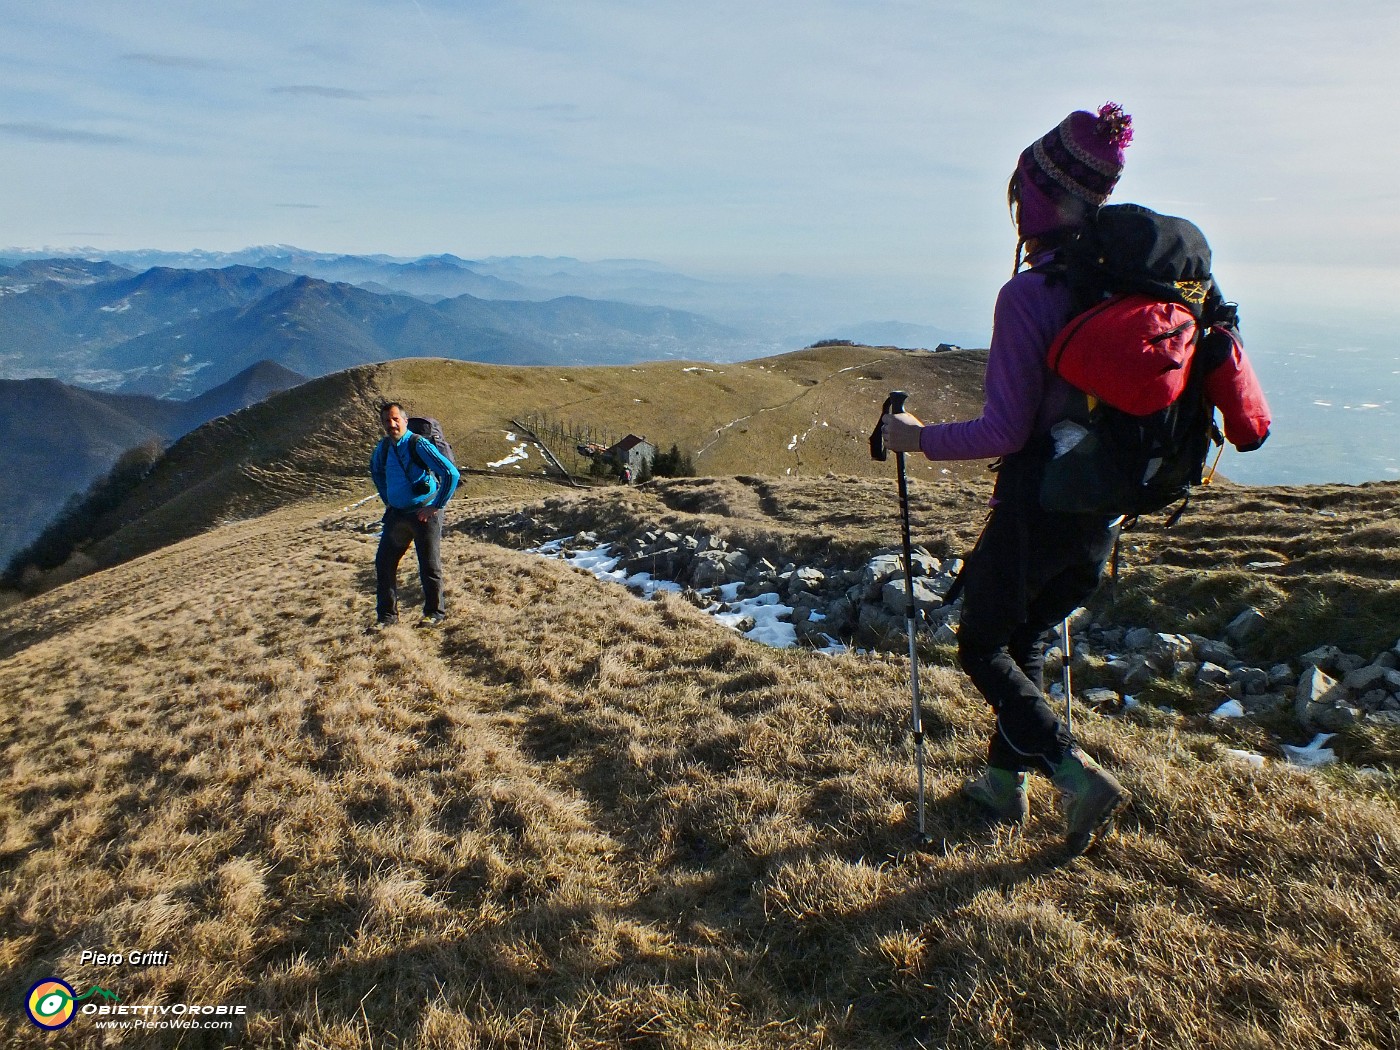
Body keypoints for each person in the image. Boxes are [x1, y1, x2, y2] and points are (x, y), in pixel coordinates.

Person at [881, 103, 1142, 854]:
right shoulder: (1121, 284)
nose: (1016, 202)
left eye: (1021, 187)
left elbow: (1005, 431)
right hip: (1103, 512)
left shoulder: (1031, 294)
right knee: (1024, 637)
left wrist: (915, 438)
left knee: (980, 648)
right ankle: (1004, 786)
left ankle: (1071, 771)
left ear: (1042, 195)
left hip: (1039, 507)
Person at [369, 402, 460, 630]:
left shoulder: (417, 444)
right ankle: (387, 618)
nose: (391, 424)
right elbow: (377, 471)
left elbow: (450, 473)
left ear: (405, 421)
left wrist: (436, 505)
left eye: (395, 419)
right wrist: (388, 498)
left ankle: (434, 613)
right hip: (397, 514)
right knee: (384, 564)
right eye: (387, 421)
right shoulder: (384, 448)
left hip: (424, 514)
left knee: (429, 565)